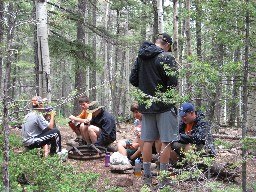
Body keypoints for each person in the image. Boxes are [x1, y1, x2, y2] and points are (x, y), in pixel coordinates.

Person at [129, 33, 179, 188]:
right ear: (168, 44)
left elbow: (133, 79)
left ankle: (147, 179)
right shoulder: (166, 57)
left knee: (148, 140)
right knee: (165, 142)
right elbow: (173, 82)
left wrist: (146, 90)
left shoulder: (141, 57)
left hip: (146, 105)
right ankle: (163, 180)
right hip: (164, 105)